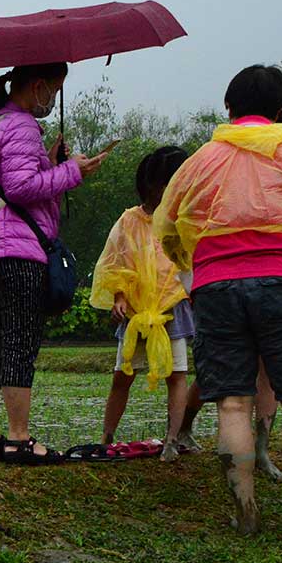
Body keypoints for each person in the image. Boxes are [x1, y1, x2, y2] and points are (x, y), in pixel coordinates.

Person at [155, 65, 282, 544]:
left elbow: (167, 225)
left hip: (216, 288)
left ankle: (247, 513)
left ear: (228, 108)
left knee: (232, 405)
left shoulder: (201, 160)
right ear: (281, 112)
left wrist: (197, 264)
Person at [0, 64, 109, 465]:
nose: (53, 100)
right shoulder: (23, 126)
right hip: (18, 251)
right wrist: (71, 171)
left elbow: (6, 182)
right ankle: (19, 439)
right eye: (55, 91)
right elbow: (21, 188)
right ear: (39, 86)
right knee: (20, 344)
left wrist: (48, 162)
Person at [92, 146, 196, 458]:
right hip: (136, 313)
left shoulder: (183, 223)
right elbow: (115, 265)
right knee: (122, 376)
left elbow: (191, 265)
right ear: (151, 185)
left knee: (177, 375)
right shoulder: (128, 221)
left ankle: (172, 440)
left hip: (172, 310)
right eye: (168, 183)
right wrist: (120, 298)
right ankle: (106, 438)